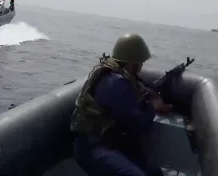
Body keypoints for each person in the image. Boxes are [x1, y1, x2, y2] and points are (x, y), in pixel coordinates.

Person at [71, 34, 172, 176]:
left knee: (154, 172)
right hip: (92, 147)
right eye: (140, 62)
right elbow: (137, 126)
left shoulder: (117, 76)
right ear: (134, 63)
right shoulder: (116, 82)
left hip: (110, 142)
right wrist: (153, 107)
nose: (141, 67)